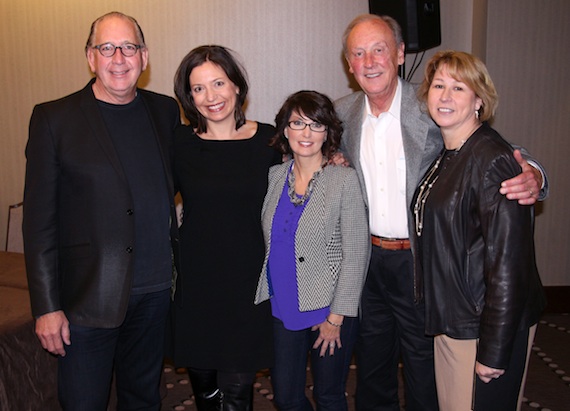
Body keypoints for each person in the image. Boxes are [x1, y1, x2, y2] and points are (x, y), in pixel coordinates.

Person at [334, 14, 548, 411]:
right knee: (372, 368)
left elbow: (492, 147)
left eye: (379, 49)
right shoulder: (342, 114)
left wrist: (533, 173)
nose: (369, 62)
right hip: (369, 263)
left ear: (399, 54)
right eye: (358, 53)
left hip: (423, 262)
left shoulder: (431, 101)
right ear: (349, 64)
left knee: (425, 370)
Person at [22, 11, 180, 410]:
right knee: (83, 402)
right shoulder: (53, 119)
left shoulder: (164, 111)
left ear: (144, 57)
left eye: (128, 47)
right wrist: (46, 307)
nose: (118, 58)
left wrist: (311, 154)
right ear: (90, 57)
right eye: (106, 48)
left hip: (156, 291)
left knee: (144, 399)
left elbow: (209, 156)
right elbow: (38, 224)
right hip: (87, 300)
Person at [412, 50, 546, 411]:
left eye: (458, 87)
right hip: (455, 317)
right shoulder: (451, 152)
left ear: (479, 101)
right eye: (439, 85)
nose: (444, 96)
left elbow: (508, 265)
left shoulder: (492, 160)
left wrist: (495, 349)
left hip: (481, 325)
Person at [170, 45, 280, 410]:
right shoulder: (179, 145)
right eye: (198, 88)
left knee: (237, 395)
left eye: (218, 83)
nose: (210, 96)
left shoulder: (270, 141)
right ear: (189, 96)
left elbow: (307, 184)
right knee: (204, 392)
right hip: (197, 284)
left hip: (248, 284)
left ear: (236, 86)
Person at [254, 91, 370, 410]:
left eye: (316, 125)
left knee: (329, 395)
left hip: (328, 309)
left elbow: (356, 253)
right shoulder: (275, 176)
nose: (306, 133)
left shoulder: (344, 180)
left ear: (328, 132)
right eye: (297, 123)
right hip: (283, 303)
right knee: (287, 397)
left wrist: (336, 316)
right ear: (285, 130)